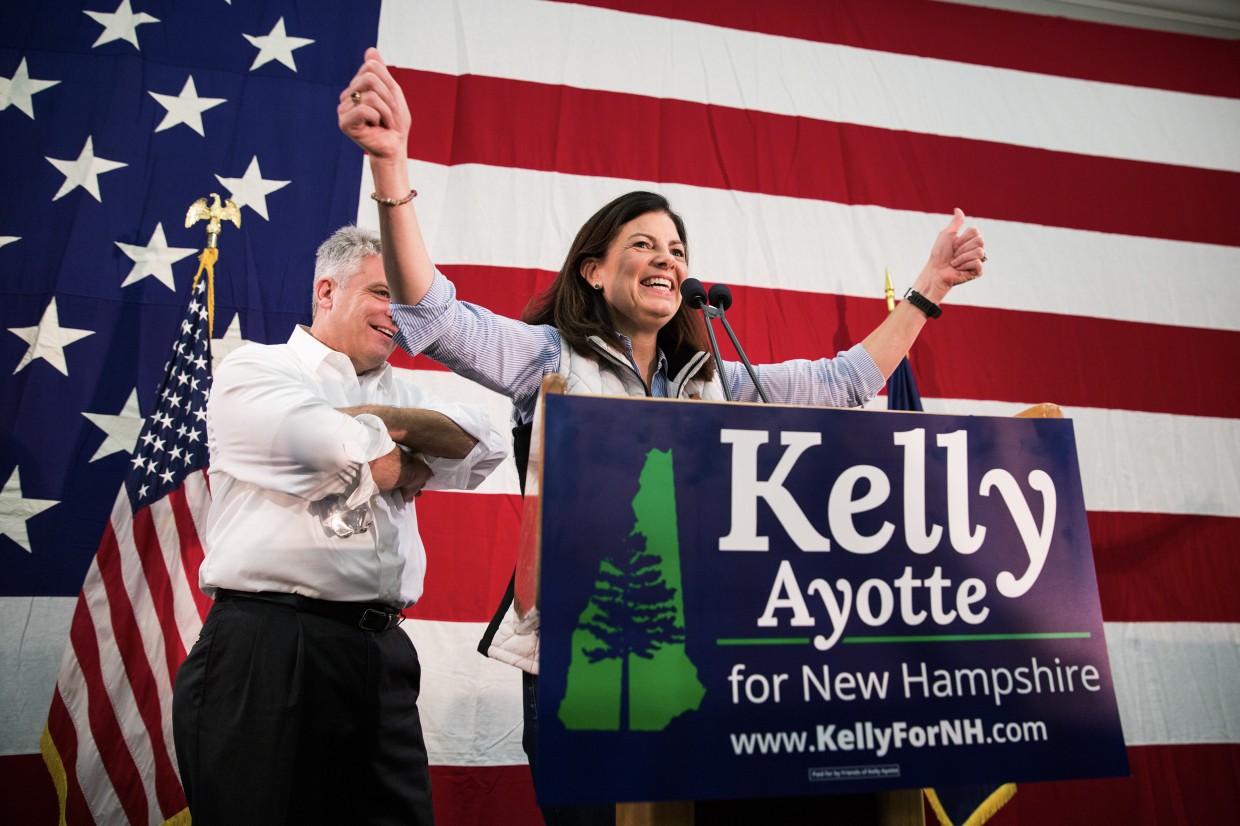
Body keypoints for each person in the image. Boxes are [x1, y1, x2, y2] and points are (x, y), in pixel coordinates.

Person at [339, 48, 985, 825]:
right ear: (592, 270)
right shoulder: (549, 359)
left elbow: (844, 380)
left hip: (695, 660)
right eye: (644, 244)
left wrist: (931, 287)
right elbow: (434, 316)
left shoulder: (718, 379)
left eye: (677, 251)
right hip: (578, 658)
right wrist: (392, 165)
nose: (667, 260)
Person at [171, 225, 509, 826]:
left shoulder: (399, 389)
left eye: (405, 302)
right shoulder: (254, 369)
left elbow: (483, 443)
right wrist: (407, 449)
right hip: (270, 648)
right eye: (382, 293)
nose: (397, 315)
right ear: (326, 291)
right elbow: (357, 457)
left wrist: (379, 416)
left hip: (383, 655)